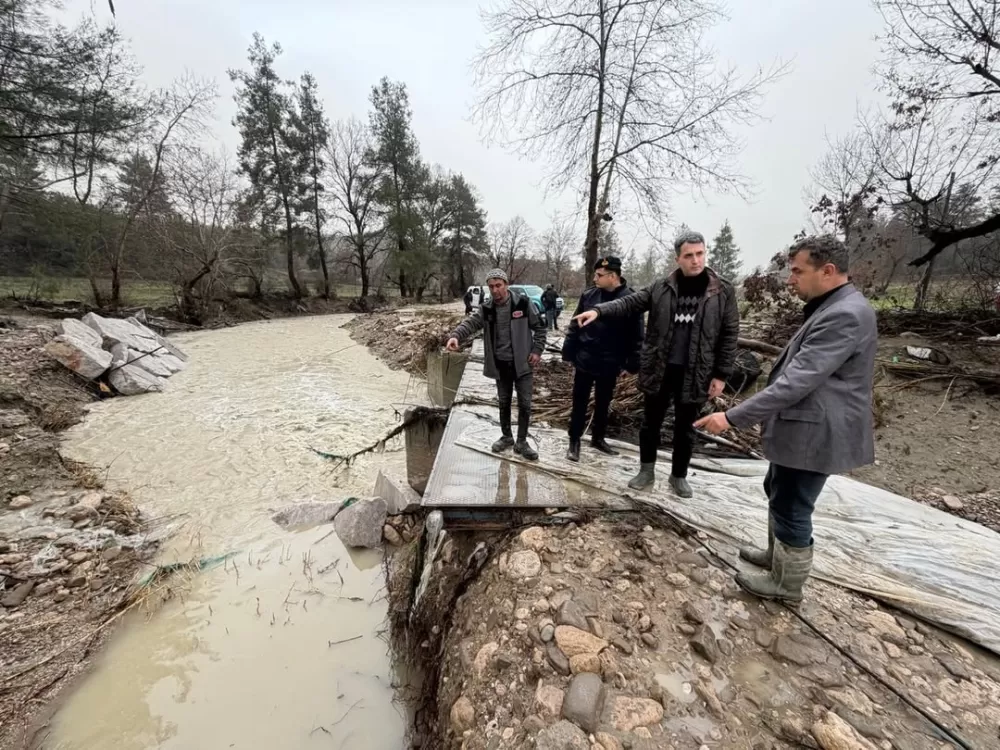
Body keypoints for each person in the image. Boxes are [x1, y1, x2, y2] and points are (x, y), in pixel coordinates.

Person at [695, 235, 877, 604]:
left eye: (797, 271)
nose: (790, 279)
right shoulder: (832, 306)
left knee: (793, 505)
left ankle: (786, 586)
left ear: (827, 271)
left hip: (817, 431)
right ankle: (774, 557)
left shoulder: (845, 314)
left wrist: (731, 417)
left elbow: (798, 381)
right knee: (777, 491)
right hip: (803, 426)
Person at [574, 230, 739, 497]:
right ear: (678, 259)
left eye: (700, 254)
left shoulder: (722, 291)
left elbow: (730, 334)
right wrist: (599, 310)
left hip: (696, 372)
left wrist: (721, 374)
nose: (696, 260)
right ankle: (646, 470)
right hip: (660, 369)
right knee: (650, 423)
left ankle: (678, 476)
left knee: (686, 428)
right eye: (689, 255)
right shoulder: (661, 287)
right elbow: (629, 303)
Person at [447, 269, 546, 461]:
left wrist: (536, 351)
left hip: (523, 365)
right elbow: (470, 323)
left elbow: (540, 328)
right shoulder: (487, 308)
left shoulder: (523, 304)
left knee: (525, 403)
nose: (495, 290)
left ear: (506, 285)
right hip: (501, 365)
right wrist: (455, 336)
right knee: (503, 402)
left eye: (498, 285)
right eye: (491, 286)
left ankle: (522, 441)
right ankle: (507, 437)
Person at [561, 256, 644, 462]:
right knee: (579, 401)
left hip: (611, 362)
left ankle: (598, 438)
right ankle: (574, 440)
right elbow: (574, 324)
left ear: (613, 276)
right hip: (586, 359)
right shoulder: (589, 295)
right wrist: (569, 353)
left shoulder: (630, 299)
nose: (595, 278)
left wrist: (631, 364)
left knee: (603, 402)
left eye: (599, 275)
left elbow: (637, 335)